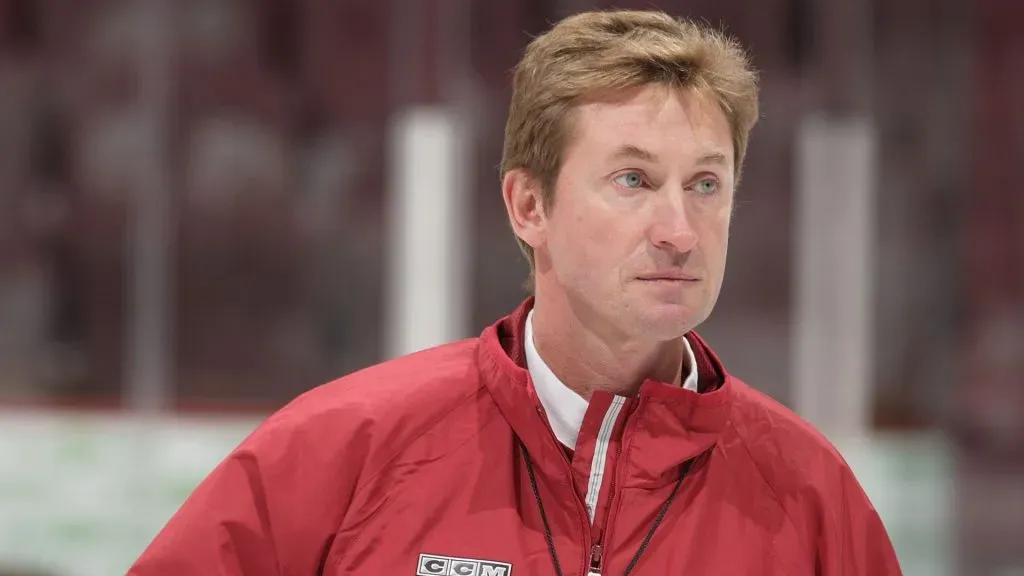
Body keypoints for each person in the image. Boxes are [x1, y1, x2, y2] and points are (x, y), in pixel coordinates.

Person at [129, 9, 902, 575]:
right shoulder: (345, 449)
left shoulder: (811, 499)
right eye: (632, 180)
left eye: (706, 184)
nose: (680, 228)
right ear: (529, 207)